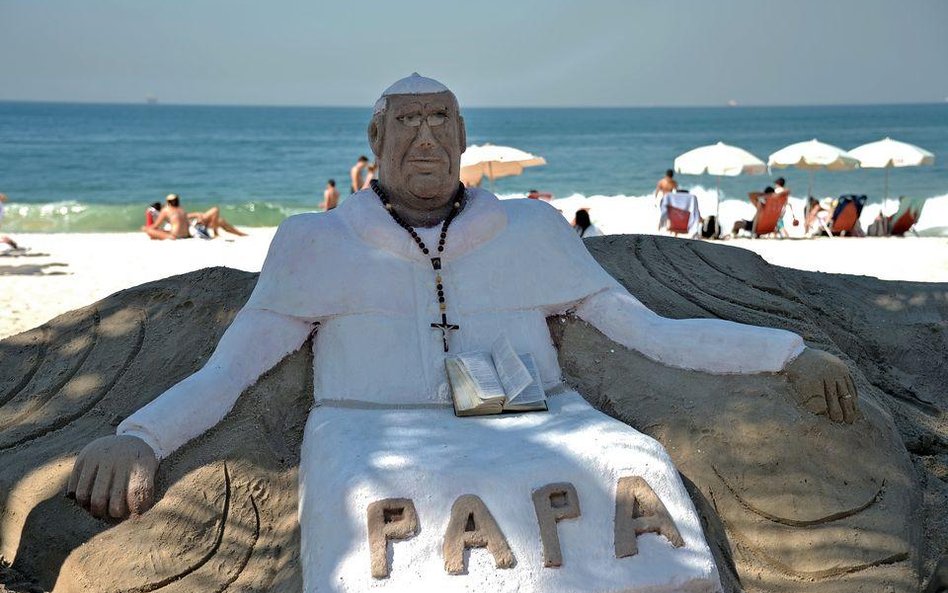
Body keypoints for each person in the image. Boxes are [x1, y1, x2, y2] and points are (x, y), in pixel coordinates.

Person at [69, 74, 857, 593]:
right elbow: (230, 369)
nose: (424, 137)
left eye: (440, 120)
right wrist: (140, 435)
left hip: (541, 422)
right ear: (374, 145)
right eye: (405, 122)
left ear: (463, 137)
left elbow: (651, 332)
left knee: (633, 460)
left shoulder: (535, 231)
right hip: (375, 435)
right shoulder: (315, 244)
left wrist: (788, 352)